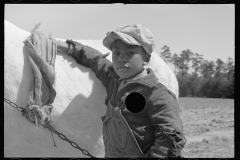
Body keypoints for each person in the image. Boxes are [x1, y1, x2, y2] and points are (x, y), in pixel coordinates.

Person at [56, 24, 186, 158]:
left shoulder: (157, 94)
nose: (121, 58)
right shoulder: (114, 81)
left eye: (129, 53)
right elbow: (97, 60)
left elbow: (170, 137)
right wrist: (70, 47)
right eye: (116, 53)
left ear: (146, 58)